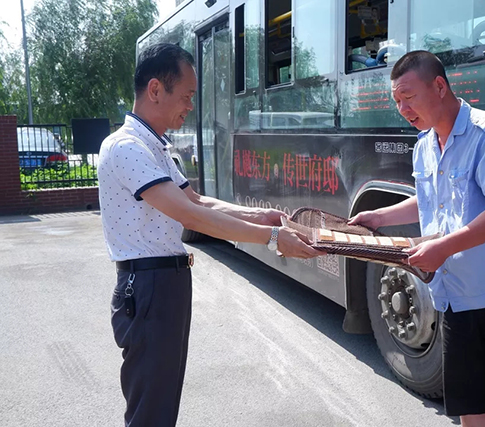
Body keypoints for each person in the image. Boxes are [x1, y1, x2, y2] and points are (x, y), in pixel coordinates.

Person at [97, 43, 322, 427]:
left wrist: (260, 215)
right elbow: (190, 215)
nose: (190, 106)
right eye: (186, 96)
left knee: (161, 405)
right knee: (151, 413)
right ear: (155, 89)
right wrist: (270, 238)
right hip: (148, 288)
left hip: (163, 285)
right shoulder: (127, 147)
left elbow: (196, 200)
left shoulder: (154, 146)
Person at [349, 51, 485, 427]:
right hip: (457, 298)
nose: (403, 109)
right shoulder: (424, 146)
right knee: (472, 410)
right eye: (396, 101)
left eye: (408, 97)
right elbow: (428, 200)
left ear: (439, 86)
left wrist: (441, 248)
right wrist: (379, 217)